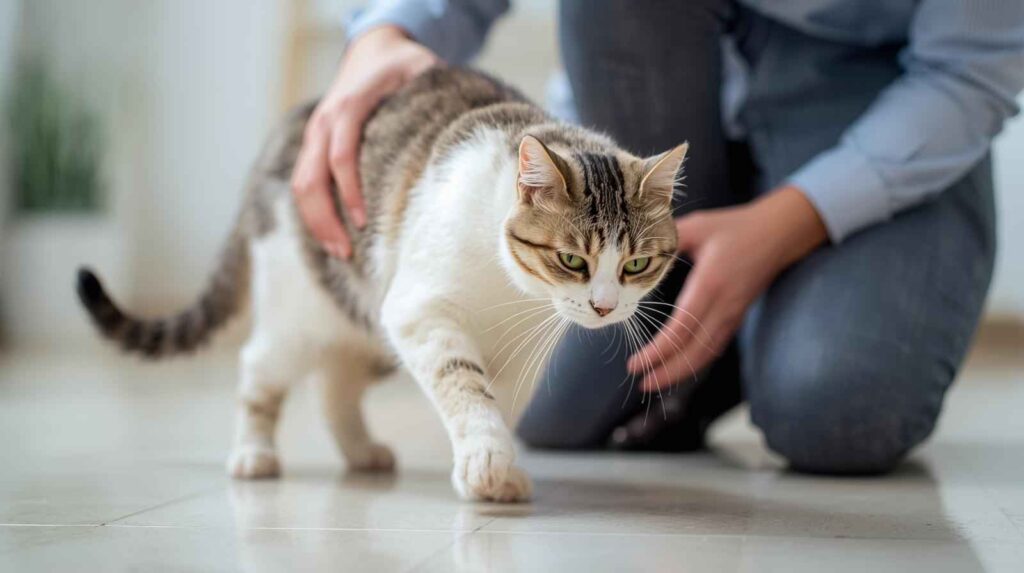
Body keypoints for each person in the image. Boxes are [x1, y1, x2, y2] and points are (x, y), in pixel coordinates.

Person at [292, 0, 1024, 475]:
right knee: (546, 411)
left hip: (877, 97)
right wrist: (387, 30)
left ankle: (772, 312)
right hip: (649, 102)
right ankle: (707, 327)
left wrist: (786, 225)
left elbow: (968, 72)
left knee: (838, 414)